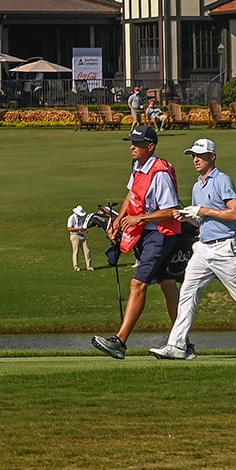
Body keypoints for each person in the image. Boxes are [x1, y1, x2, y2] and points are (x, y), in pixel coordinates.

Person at [150, 138, 236, 361]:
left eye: (200, 155)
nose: (195, 160)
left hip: (225, 249)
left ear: (212, 157)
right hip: (202, 249)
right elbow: (204, 223)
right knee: (187, 296)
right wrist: (188, 217)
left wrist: (204, 211)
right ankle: (177, 345)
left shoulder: (222, 180)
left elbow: (235, 213)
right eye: (193, 155)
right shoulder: (197, 186)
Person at [91, 124, 183, 360]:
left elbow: (171, 210)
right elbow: (131, 195)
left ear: (149, 147)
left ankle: (120, 341)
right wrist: (118, 221)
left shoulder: (159, 172)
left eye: (137, 144)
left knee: (137, 284)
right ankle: (182, 342)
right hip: (148, 232)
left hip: (162, 233)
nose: (132, 147)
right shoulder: (139, 167)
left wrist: (137, 218)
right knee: (167, 285)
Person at [67, 204, 94, 271]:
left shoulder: (82, 217)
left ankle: (89, 266)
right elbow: (69, 228)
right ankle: (76, 266)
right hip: (74, 235)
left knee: (87, 251)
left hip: (82, 235)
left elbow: (83, 225)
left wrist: (85, 229)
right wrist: (79, 229)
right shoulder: (72, 217)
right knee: (76, 251)